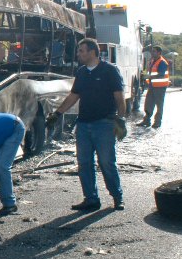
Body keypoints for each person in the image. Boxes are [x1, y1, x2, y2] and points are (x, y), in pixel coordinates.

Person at [48, 37, 127, 211]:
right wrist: (57, 113)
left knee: (107, 162)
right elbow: (73, 96)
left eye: (81, 51)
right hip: (83, 124)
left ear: (92, 52)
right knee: (84, 163)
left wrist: (120, 120)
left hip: (104, 124)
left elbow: (119, 98)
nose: (78, 54)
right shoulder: (82, 72)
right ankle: (91, 199)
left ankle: (117, 196)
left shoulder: (110, 71)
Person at [138, 45, 169, 128]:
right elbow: (151, 72)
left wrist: (149, 77)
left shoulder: (162, 62)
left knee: (159, 105)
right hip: (152, 86)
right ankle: (146, 121)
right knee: (148, 104)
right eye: (152, 51)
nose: (152, 53)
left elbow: (161, 75)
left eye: (154, 51)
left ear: (159, 53)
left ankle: (157, 122)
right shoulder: (152, 61)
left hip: (160, 87)